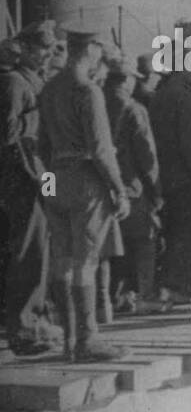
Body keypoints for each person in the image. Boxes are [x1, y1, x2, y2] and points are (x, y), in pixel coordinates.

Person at [37, 28, 131, 362]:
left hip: (55, 179)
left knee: (62, 260)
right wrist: (120, 191)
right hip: (86, 181)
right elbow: (102, 149)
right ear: (89, 49)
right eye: (98, 49)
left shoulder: (48, 89)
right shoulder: (88, 91)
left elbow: (41, 147)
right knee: (86, 262)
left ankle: (70, 341)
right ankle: (88, 340)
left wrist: (47, 188)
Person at [1, 21, 58, 353]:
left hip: (44, 176)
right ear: (24, 48)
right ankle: (23, 329)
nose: (47, 54)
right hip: (24, 179)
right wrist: (38, 116)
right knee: (28, 250)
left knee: (43, 245)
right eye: (41, 48)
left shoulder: (37, 82)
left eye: (50, 48)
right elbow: (8, 132)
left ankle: (39, 319)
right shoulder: (14, 83)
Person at [103, 53, 161, 314]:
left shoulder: (93, 102)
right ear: (126, 80)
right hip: (132, 187)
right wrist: (156, 191)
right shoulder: (134, 109)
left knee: (111, 248)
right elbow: (147, 156)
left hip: (101, 187)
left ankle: (114, 298)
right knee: (144, 241)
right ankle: (145, 297)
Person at [150, 65, 191, 308]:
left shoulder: (161, 92)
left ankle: (166, 284)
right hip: (184, 174)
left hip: (163, 172)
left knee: (170, 231)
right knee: (186, 232)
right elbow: (189, 139)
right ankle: (178, 286)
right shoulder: (186, 94)